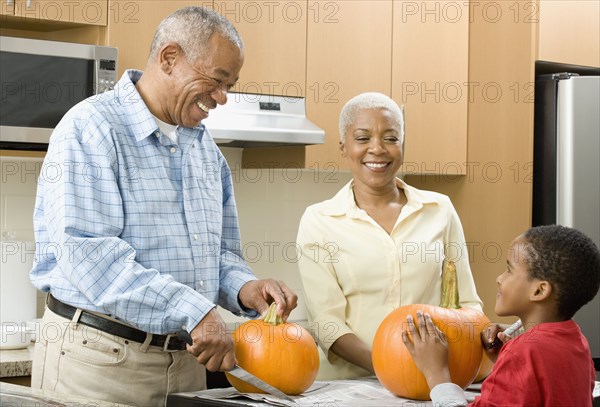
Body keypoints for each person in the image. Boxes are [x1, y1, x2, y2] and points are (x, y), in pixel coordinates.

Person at [30, 7, 297, 406]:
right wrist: (197, 312)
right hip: (100, 363)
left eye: (230, 85)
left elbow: (217, 255)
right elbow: (92, 259)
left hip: (185, 365)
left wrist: (245, 288)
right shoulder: (91, 128)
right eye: (217, 80)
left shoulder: (204, 149)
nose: (222, 98)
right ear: (169, 58)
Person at [296, 92, 483, 380]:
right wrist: (391, 367)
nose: (377, 149)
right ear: (343, 147)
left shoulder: (439, 210)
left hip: (429, 383)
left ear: (402, 144)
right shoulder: (319, 220)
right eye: (362, 138)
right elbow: (327, 324)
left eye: (391, 138)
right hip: (349, 387)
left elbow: (467, 304)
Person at [403, 225, 600, 406]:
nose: (500, 278)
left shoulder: (523, 353)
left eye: (509, 270)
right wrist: (505, 362)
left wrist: (436, 373)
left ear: (539, 291)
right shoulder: (577, 343)